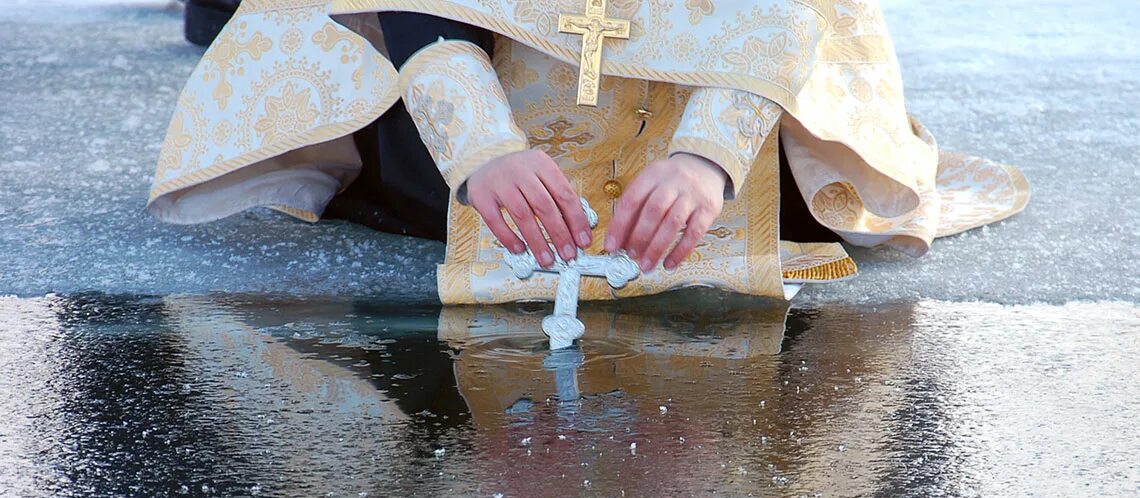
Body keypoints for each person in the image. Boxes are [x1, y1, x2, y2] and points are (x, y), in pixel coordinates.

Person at [148, 1, 1028, 305]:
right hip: (488, 57)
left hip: (716, 74)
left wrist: (707, 160)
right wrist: (480, 144)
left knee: (766, 178)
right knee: (427, 168)